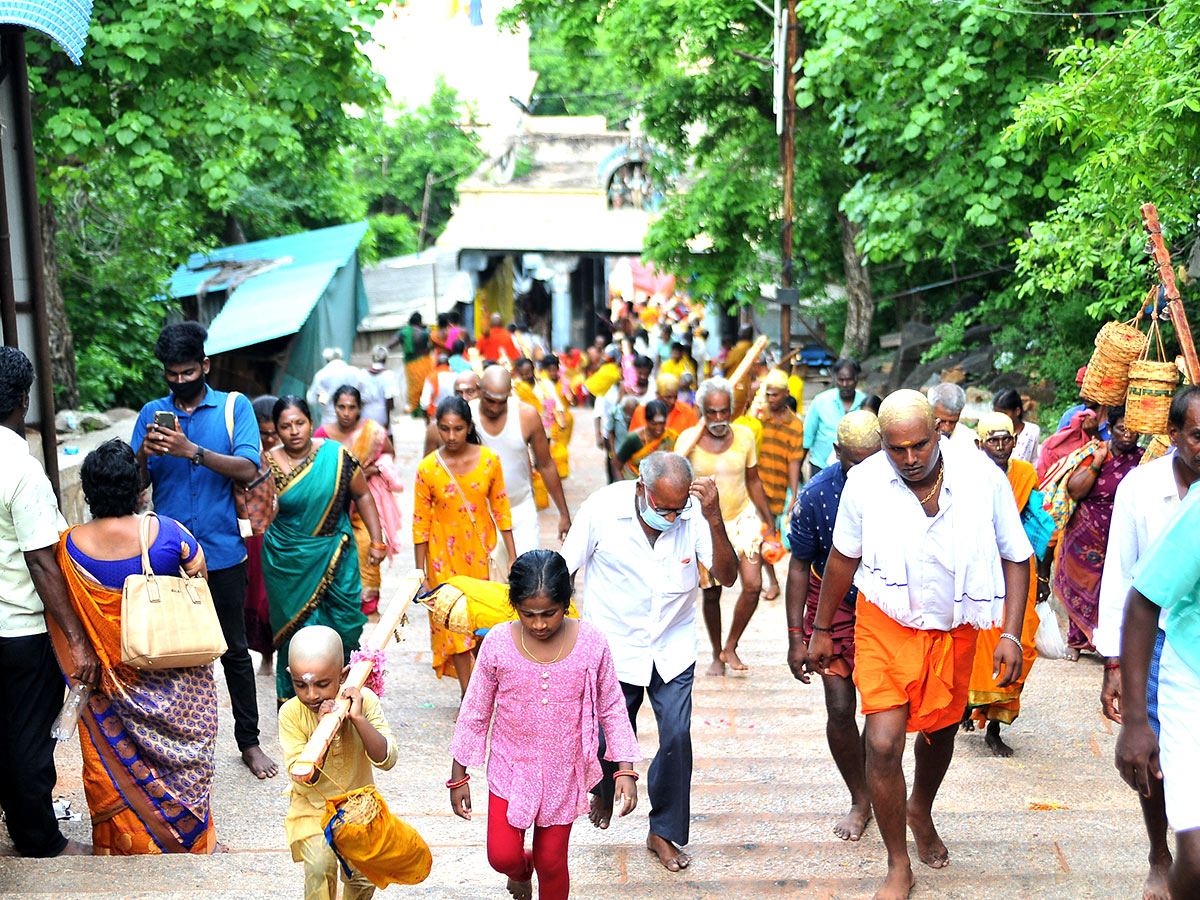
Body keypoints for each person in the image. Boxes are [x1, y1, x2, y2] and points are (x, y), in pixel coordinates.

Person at [808, 389, 1031, 900]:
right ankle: (897, 863)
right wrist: (819, 629)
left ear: (939, 430)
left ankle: (920, 808)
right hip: (885, 621)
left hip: (956, 626)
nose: (909, 459)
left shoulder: (981, 477)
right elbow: (843, 558)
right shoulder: (864, 482)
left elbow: (1015, 556)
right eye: (897, 449)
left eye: (920, 446)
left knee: (940, 732)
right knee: (883, 741)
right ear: (882, 442)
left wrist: (1012, 634)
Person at [560, 452, 736, 872]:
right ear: (642, 489)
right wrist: (562, 636)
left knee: (676, 736)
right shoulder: (602, 509)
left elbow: (727, 575)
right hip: (612, 646)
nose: (673, 518)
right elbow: (563, 570)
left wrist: (713, 517)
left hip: (672, 647)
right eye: (664, 509)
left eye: (681, 509)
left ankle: (663, 830)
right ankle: (602, 788)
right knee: (603, 738)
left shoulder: (694, 515)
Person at [55, 440, 217, 854]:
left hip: (107, 685)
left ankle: (122, 844)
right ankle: (188, 840)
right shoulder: (167, 532)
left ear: (88, 492)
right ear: (139, 489)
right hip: (174, 678)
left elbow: (59, 609)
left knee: (112, 762)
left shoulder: (67, 546)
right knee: (184, 759)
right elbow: (199, 579)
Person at [449, 550, 641, 900]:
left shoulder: (592, 643)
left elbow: (613, 707)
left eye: (549, 613)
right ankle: (520, 874)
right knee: (502, 856)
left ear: (567, 603)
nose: (539, 624)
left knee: (552, 863)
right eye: (528, 614)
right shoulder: (497, 643)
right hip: (510, 769)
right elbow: (476, 710)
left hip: (562, 776)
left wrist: (624, 770)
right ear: (514, 606)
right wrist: (459, 775)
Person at [132, 322, 276, 778]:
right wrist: (144, 455)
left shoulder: (234, 408)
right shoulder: (151, 413)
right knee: (172, 656)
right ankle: (177, 748)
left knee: (234, 651)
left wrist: (191, 450)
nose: (179, 381)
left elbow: (248, 465)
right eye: (171, 374)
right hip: (166, 559)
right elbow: (136, 485)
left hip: (223, 553)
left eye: (187, 372)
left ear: (205, 366)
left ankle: (249, 743)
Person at [1097, 386, 1200, 900]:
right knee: (1152, 758)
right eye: (1199, 435)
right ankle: (1161, 852)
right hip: (1159, 645)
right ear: (1174, 434)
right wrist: (1113, 661)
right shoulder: (1140, 487)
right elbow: (1122, 576)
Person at [0, 346, 98, 857]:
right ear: (22, 399)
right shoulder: (20, 466)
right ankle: (38, 840)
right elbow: (42, 562)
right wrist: (78, 641)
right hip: (18, 631)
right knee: (26, 740)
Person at [785, 410, 881, 843]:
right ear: (837, 453)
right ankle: (861, 799)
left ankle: (889, 791)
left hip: (886, 604)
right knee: (841, 709)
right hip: (833, 604)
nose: (865, 470)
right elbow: (799, 566)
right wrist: (797, 637)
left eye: (873, 459)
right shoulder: (816, 494)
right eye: (854, 462)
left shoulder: (902, 482)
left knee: (884, 713)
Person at [263, 397, 384, 703]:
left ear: (311, 423)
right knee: (296, 636)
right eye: (285, 426)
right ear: (276, 430)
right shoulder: (268, 463)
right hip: (287, 560)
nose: (294, 431)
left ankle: (345, 698)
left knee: (344, 626)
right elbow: (256, 511)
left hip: (336, 553)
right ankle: (294, 704)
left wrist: (378, 541)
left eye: (299, 423)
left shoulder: (337, 456)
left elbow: (364, 495)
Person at [280, 625, 397, 900]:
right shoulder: (291, 713)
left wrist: (358, 720)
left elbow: (387, 759)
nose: (311, 695)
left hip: (361, 807)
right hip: (312, 809)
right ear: (290, 678)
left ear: (343, 675)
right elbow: (301, 775)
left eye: (322, 684)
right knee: (319, 867)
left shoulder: (364, 701)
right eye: (301, 685)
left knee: (364, 876)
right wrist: (323, 732)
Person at [414, 397, 516, 696]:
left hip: (483, 552)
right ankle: (467, 694)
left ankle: (487, 689)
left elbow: (502, 510)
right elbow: (419, 523)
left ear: (469, 427)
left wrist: (513, 557)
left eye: (458, 429)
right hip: (442, 557)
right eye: (444, 429)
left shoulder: (489, 460)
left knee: (485, 623)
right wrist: (419, 571)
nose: (451, 436)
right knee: (454, 624)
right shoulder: (428, 468)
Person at [678, 378, 777, 675]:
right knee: (712, 593)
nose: (719, 419)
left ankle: (730, 645)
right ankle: (715, 652)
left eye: (724, 412)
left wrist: (769, 521)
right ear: (702, 411)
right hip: (704, 524)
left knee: (753, 586)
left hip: (742, 518)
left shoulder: (745, 436)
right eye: (712, 413)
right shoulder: (687, 441)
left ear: (731, 411)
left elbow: (753, 480)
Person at [964, 412, 1043, 757]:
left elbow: (1041, 523)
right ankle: (967, 706)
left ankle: (995, 726)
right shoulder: (969, 477)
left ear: (1015, 441)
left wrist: (1042, 575)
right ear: (980, 444)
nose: (1000, 446)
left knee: (1020, 643)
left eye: (1006, 439)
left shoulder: (1025, 474)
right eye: (992, 440)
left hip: (1019, 567)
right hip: (983, 570)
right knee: (978, 644)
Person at [1052, 405, 1143, 657]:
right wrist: (1098, 462)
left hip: (1122, 533)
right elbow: (1075, 490)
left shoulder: (1144, 459)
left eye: (1132, 430)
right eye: (1122, 429)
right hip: (1087, 533)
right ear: (1110, 429)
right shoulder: (1096, 452)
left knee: (1116, 587)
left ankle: (1109, 643)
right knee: (1083, 583)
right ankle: (1077, 640)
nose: (1127, 435)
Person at [314, 386, 403, 616]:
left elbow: (388, 452)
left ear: (359, 409)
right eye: (341, 407)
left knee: (366, 545)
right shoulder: (323, 433)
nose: (346, 412)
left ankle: (369, 605)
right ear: (334, 408)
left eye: (351, 407)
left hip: (364, 501)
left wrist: (373, 468)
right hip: (333, 502)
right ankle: (340, 603)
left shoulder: (372, 431)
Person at [473, 366, 571, 552]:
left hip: (520, 509)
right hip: (479, 513)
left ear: (510, 393)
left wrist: (564, 513)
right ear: (479, 390)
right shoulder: (467, 416)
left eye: (501, 402)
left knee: (526, 575)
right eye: (489, 401)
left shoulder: (526, 415)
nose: (494, 408)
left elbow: (546, 464)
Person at [756, 369, 806, 601]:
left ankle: (786, 582)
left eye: (775, 394)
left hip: (780, 488)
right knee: (760, 536)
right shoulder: (757, 417)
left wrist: (794, 494)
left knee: (783, 539)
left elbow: (795, 461)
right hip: (757, 486)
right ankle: (771, 582)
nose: (771, 399)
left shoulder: (795, 425)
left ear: (786, 394)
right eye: (768, 394)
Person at [245, 394, 278, 675]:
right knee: (259, 599)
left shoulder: (292, 456)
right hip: (255, 536)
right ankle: (265, 653)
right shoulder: (246, 457)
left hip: (286, 536)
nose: (269, 439)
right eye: (263, 433)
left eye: (273, 432)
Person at [804, 358, 866, 475]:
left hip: (856, 469)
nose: (845, 384)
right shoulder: (820, 401)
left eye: (849, 380)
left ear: (856, 379)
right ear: (835, 379)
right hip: (821, 467)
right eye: (841, 380)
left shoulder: (866, 403)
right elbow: (807, 438)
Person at [423, 369, 482, 455]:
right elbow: (428, 465)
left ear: (480, 392)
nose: (464, 398)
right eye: (459, 393)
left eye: (470, 392)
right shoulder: (435, 428)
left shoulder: (486, 423)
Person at [615, 399, 676, 479]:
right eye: (654, 424)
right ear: (647, 421)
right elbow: (616, 466)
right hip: (633, 481)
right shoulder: (634, 439)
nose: (659, 428)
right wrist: (622, 486)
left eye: (662, 423)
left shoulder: (671, 437)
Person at [307, 347, 366, 427]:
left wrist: (321, 396)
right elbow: (364, 395)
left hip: (329, 420)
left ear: (327, 360)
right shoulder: (355, 372)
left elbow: (311, 399)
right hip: (352, 418)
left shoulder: (321, 375)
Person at [388, 312, 432, 418]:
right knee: (423, 386)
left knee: (413, 387)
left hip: (411, 364)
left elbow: (391, 344)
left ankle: (415, 410)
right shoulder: (425, 333)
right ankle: (423, 409)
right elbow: (430, 347)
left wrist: (382, 349)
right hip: (425, 362)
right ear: (420, 321)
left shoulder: (404, 332)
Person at [628, 373, 699, 435]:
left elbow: (694, 437)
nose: (672, 401)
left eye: (675, 397)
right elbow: (634, 442)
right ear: (658, 395)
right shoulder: (641, 412)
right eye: (668, 397)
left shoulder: (687, 411)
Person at [1058, 366, 1112, 439]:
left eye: (1088, 390)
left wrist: (1093, 434)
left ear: (1103, 390)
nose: (1081, 395)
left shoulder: (1118, 422)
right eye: (1080, 389)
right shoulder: (1070, 417)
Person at [993, 388, 1040, 465]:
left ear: (1017, 411)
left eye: (1004, 414)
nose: (1000, 418)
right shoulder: (992, 432)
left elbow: (1034, 460)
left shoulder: (1032, 431)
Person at [361, 345, 400, 438]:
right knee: (385, 440)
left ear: (372, 357)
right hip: (382, 413)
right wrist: (387, 420)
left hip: (365, 413)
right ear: (385, 359)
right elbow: (389, 401)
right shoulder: (388, 375)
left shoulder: (362, 373)